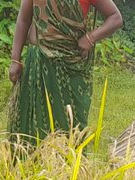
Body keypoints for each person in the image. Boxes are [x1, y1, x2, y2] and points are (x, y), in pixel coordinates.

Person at [8, 0, 123, 145]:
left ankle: (67, 163)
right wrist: (15, 59)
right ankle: (31, 161)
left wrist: (90, 38)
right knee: (32, 123)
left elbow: (115, 17)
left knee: (72, 124)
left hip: (71, 67)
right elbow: (24, 19)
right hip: (38, 62)